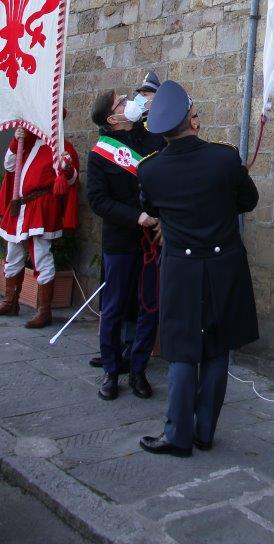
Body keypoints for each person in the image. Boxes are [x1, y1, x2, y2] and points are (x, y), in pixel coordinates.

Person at [137, 80, 259, 456]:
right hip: (224, 265)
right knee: (217, 347)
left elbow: (154, 209)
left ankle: (177, 434)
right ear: (192, 118)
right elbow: (249, 201)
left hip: (182, 269)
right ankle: (204, 431)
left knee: (183, 349)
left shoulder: (150, 171)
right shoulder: (223, 158)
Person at [87, 90, 161, 401]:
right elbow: (98, 200)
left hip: (152, 241)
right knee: (114, 308)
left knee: (148, 307)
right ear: (112, 117)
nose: (129, 102)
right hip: (121, 241)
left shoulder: (148, 138)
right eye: (121, 101)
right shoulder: (99, 153)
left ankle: (139, 369)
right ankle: (111, 370)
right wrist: (136, 217)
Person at [0, 127, 79, 328]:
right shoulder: (27, 143)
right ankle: (11, 302)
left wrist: (67, 167)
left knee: (41, 256)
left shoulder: (62, 147)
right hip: (20, 205)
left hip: (41, 207)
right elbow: (9, 166)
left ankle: (44, 311)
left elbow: (70, 180)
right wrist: (15, 141)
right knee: (13, 254)